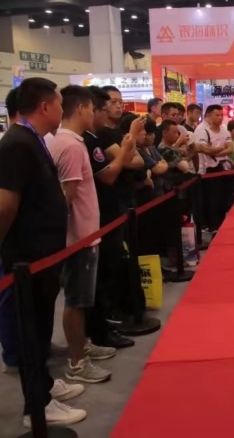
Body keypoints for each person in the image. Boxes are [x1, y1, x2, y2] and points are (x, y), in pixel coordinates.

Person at [0, 77, 87, 427]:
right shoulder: (17, 144)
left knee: (41, 327)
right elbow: (6, 206)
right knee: (31, 330)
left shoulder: (32, 140)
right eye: (60, 105)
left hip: (43, 256)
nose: (63, 112)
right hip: (27, 259)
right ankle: (35, 406)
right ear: (45, 106)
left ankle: (45, 386)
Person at [51, 86, 117, 384]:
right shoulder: (71, 146)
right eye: (92, 108)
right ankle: (77, 362)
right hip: (77, 238)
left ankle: (83, 345)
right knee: (76, 301)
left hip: (84, 235)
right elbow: (66, 199)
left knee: (82, 299)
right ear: (81, 109)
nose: (95, 113)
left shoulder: (70, 142)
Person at [82, 87, 137, 349]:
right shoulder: (89, 139)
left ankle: (104, 323)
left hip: (108, 211)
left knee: (110, 267)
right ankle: (100, 329)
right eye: (108, 106)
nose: (113, 109)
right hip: (96, 218)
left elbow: (137, 162)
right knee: (99, 276)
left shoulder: (95, 136)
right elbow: (112, 172)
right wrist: (128, 145)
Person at [0, 87, 20, 374]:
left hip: (21, 238)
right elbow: (5, 206)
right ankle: (16, 355)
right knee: (9, 298)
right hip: (11, 241)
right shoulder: (15, 144)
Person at [194, 105, 233, 233]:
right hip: (211, 169)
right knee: (213, 200)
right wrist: (221, 148)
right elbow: (205, 150)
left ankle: (222, 224)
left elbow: (230, 149)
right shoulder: (204, 131)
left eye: (221, 115)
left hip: (224, 168)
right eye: (217, 115)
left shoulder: (225, 131)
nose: (220, 118)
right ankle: (213, 226)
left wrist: (215, 150)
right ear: (209, 116)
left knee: (224, 198)